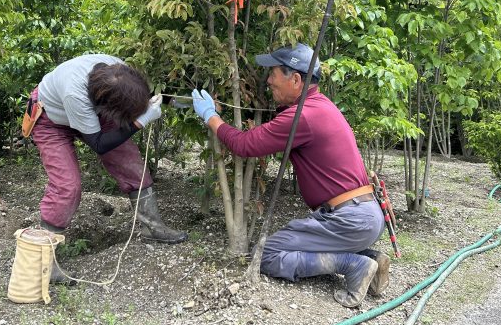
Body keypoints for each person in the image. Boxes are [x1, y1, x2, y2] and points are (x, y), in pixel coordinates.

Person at [190, 43, 389, 307]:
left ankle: (354, 263)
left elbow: (244, 145)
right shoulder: (319, 106)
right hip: (363, 217)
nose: (268, 80)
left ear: (295, 79)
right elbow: (273, 128)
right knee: (298, 243)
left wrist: (210, 117)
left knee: (268, 254)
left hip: (348, 220)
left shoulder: (302, 117)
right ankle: (371, 257)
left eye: (273, 73)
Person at [27, 53, 188, 283]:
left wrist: (170, 99)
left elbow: (138, 92)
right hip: (51, 119)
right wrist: (140, 121)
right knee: (67, 186)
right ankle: (44, 265)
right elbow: (100, 145)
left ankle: (153, 229)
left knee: (130, 162)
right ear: (108, 106)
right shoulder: (76, 94)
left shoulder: (118, 71)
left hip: (95, 109)